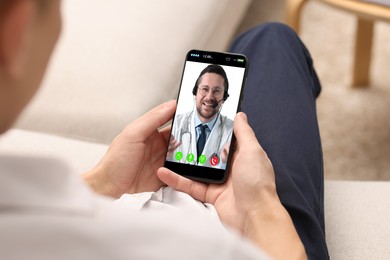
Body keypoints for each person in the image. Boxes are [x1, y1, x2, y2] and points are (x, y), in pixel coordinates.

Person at [0, 0, 329, 259]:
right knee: (273, 39)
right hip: (256, 236)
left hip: (149, 193)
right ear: (17, 30)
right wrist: (259, 207)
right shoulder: (171, 246)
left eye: (217, 92)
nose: (210, 97)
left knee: (265, 39)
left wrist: (102, 181)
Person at [167, 64, 233, 168]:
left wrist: (226, 161)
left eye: (216, 91)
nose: (209, 97)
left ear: (224, 98)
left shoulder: (233, 132)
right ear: (195, 93)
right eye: (204, 89)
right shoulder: (175, 125)